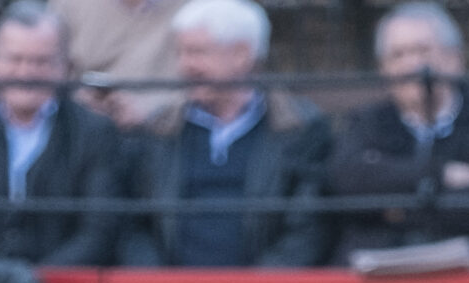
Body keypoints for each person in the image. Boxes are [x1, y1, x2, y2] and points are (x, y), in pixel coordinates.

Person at [119, 0, 328, 269]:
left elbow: (308, 228)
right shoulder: (158, 131)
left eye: (197, 52)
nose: (184, 65)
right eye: (180, 52)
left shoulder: (300, 129)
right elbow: (133, 224)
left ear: (242, 55)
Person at [0, 2, 125, 268]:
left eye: (41, 61)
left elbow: (99, 232)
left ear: (64, 67)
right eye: (15, 59)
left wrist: (35, 282)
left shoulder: (95, 133)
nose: (26, 73)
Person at [325, 2, 469, 267]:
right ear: (383, 68)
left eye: (422, 51)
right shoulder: (364, 121)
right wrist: (440, 174)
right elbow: (346, 183)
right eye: (398, 55)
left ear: (454, 59)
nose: (411, 64)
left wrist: (396, 210)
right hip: (377, 275)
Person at [50, 0, 183, 130]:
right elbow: (47, 71)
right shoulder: (70, 5)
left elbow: (197, 84)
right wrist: (78, 100)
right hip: (82, 129)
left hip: (164, 134)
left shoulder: (189, 7)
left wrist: (149, 110)